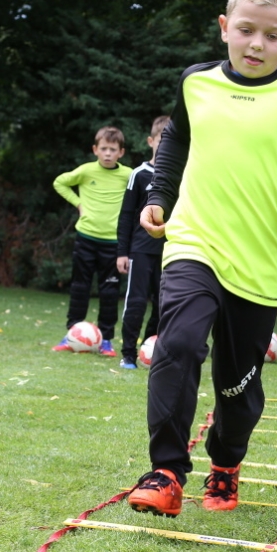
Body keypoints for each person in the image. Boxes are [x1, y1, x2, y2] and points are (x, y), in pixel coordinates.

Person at [126, 0, 277, 517]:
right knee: (176, 346)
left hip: (259, 262)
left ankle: (225, 464)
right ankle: (166, 472)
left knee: (237, 388)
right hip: (194, 243)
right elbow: (177, 136)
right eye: (246, 30)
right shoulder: (195, 83)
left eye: (273, 36)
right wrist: (161, 191)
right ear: (225, 27)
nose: (257, 44)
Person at [51, 126, 131, 356]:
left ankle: (106, 340)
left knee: (109, 291)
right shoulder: (86, 171)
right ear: (95, 149)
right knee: (79, 288)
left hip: (113, 244)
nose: (107, 153)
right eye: (103, 148)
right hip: (85, 239)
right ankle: (72, 335)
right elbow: (59, 182)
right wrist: (78, 204)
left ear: (121, 153)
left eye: (112, 149)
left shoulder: (128, 175)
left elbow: (145, 189)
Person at [115, 115, 170, 368]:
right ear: (151, 141)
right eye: (162, 140)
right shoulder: (139, 174)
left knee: (163, 306)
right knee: (136, 302)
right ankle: (128, 354)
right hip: (140, 251)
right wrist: (122, 252)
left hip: (170, 251)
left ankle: (150, 348)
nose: (167, 145)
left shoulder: (182, 176)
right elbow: (126, 216)